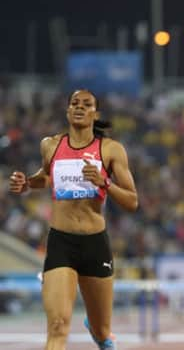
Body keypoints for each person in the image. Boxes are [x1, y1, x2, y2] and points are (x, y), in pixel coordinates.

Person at [9, 89, 138, 350]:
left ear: (95, 113)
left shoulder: (111, 150)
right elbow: (46, 176)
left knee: (103, 330)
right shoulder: (51, 145)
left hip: (95, 244)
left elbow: (132, 201)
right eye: (74, 103)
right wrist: (27, 184)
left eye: (86, 104)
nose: (79, 107)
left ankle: (99, 333)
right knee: (58, 326)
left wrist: (106, 183)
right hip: (61, 243)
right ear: (68, 110)